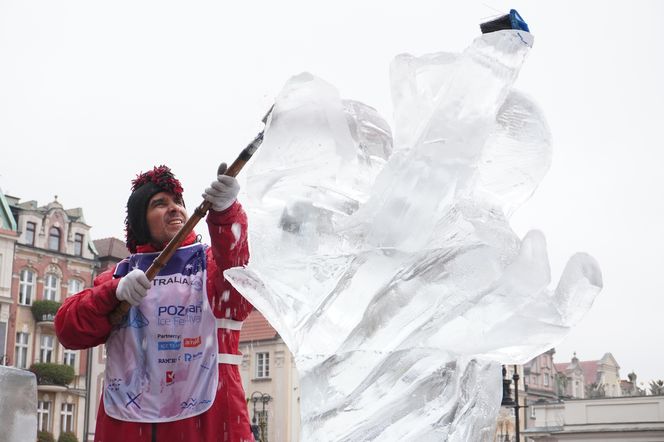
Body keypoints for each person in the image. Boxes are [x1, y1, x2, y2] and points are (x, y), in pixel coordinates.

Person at [55, 165, 254, 442]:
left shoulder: (210, 267)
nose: (174, 208)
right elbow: (68, 330)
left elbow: (240, 284)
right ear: (141, 221)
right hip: (128, 425)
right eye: (160, 204)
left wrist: (226, 214)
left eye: (178, 202)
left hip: (210, 421)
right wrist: (113, 293)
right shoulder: (120, 275)